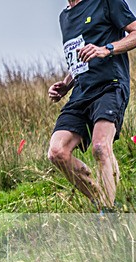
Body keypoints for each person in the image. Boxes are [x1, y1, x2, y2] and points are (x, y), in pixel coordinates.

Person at [47, 0, 136, 211]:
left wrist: (108, 49)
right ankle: (102, 199)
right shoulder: (65, 17)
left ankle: (108, 212)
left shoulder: (105, 1)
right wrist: (66, 84)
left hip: (110, 85)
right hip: (81, 92)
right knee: (57, 152)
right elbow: (80, 59)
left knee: (100, 147)